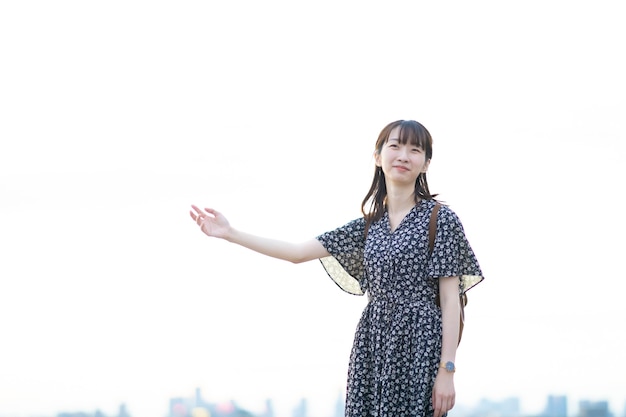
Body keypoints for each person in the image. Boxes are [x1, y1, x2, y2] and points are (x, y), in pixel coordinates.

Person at [189, 119, 484, 417]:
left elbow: (450, 301)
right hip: (373, 342)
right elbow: (296, 252)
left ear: (425, 164)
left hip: (420, 345)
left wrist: (447, 369)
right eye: (395, 146)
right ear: (378, 156)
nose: (403, 156)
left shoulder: (440, 220)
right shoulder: (369, 226)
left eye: (415, 149)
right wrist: (231, 234)